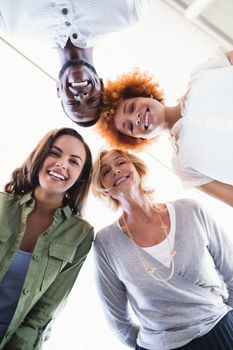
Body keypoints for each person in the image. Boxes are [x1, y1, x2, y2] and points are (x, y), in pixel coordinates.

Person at [91, 147, 233, 350]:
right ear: (104, 188)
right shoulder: (106, 243)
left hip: (220, 332)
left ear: (137, 168)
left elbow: (232, 273)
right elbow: (119, 323)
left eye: (121, 162)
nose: (115, 170)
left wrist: (223, 319)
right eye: (105, 171)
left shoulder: (190, 210)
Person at [95, 50, 233, 207]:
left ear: (143, 94)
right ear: (138, 139)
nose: (136, 118)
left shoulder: (201, 74)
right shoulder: (183, 167)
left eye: (132, 107)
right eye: (130, 126)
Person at [0, 127, 94, 349]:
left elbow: (46, 310)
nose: (62, 164)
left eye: (74, 161)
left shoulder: (81, 234)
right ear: (40, 156)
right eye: (55, 153)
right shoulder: (2, 204)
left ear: (81, 177)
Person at [0, 0, 147, 126]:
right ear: (101, 84)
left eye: (73, 103)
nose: (82, 97)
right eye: (92, 100)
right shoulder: (127, 14)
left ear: (58, 89)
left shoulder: (8, 23)